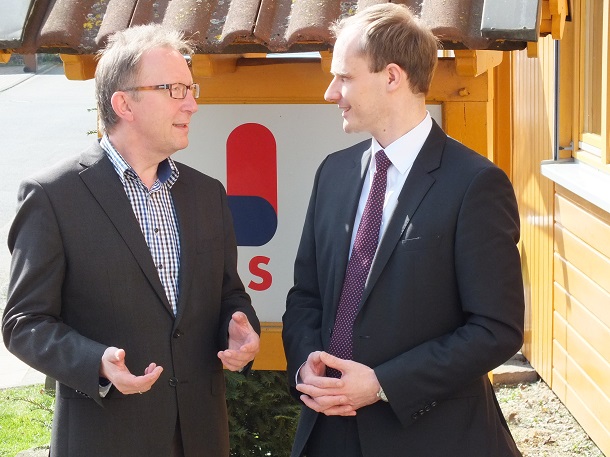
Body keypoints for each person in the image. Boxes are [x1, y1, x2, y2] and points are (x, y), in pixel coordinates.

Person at [2, 24, 260, 457]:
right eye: (174, 90)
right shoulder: (53, 195)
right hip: (106, 438)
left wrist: (239, 330)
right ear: (124, 104)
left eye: (191, 88)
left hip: (201, 436)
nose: (192, 104)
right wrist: (96, 362)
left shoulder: (207, 194)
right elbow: (24, 323)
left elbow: (229, 295)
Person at [282, 4, 524, 457]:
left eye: (344, 77)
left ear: (392, 76)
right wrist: (305, 368)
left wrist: (382, 384)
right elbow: (306, 297)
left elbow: (496, 328)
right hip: (327, 432)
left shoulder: (475, 184)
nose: (331, 93)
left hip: (428, 436)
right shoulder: (333, 172)